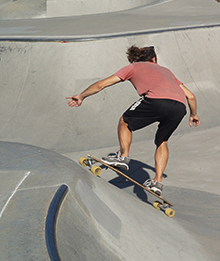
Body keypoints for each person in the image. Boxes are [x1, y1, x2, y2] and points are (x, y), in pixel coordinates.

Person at [66, 44, 199, 196]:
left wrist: (81, 96)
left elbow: (101, 84)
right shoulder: (167, 71)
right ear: (154, 59)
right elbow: (191, 96)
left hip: (156, 100)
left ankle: (123, 157)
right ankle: (157, 182)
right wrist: (193, 114)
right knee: (162, 141)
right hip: (180, 107)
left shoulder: (133, 67)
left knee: (125, 122)